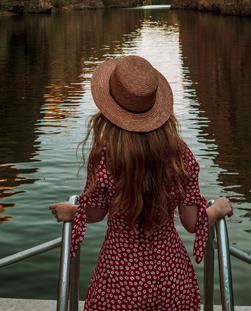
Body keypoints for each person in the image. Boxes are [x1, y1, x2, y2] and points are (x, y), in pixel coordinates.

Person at [49, 55, 233, 310]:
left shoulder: (105, 156)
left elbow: (97, 212)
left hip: (119, 278)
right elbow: (192, 223)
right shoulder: (180, 155)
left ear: (110, 110)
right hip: (171, 277)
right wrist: (217, 209)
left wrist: (76, 210)